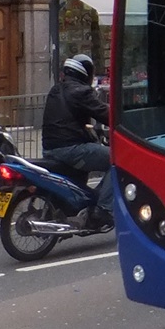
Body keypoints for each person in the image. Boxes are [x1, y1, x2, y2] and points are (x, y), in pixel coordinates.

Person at [41, 53, 114, 230]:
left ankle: (79, 207)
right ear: (86, 73)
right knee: (118, 160)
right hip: (70, 149)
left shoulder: (55, 90)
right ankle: (102, 209)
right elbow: (104, 113)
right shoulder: (81, 92)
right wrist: (125, 118)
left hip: (49, 148)